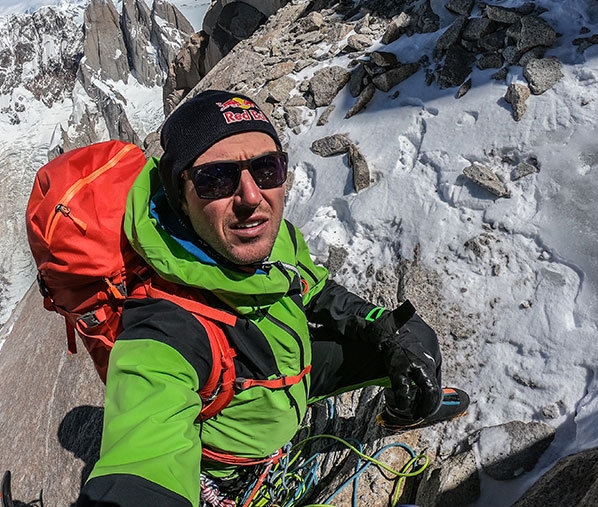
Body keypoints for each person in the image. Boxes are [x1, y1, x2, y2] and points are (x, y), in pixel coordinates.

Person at [75, 90, 467, 507]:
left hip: (287, 373)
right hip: (236, 453)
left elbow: (314, 288)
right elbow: (142, 464)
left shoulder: (269, 237)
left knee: (409, 335)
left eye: (266, 169)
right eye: (216, 178)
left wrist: (383, 329)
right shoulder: (163, 331)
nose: (250, 197)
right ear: (181, 195)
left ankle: (402, 409)